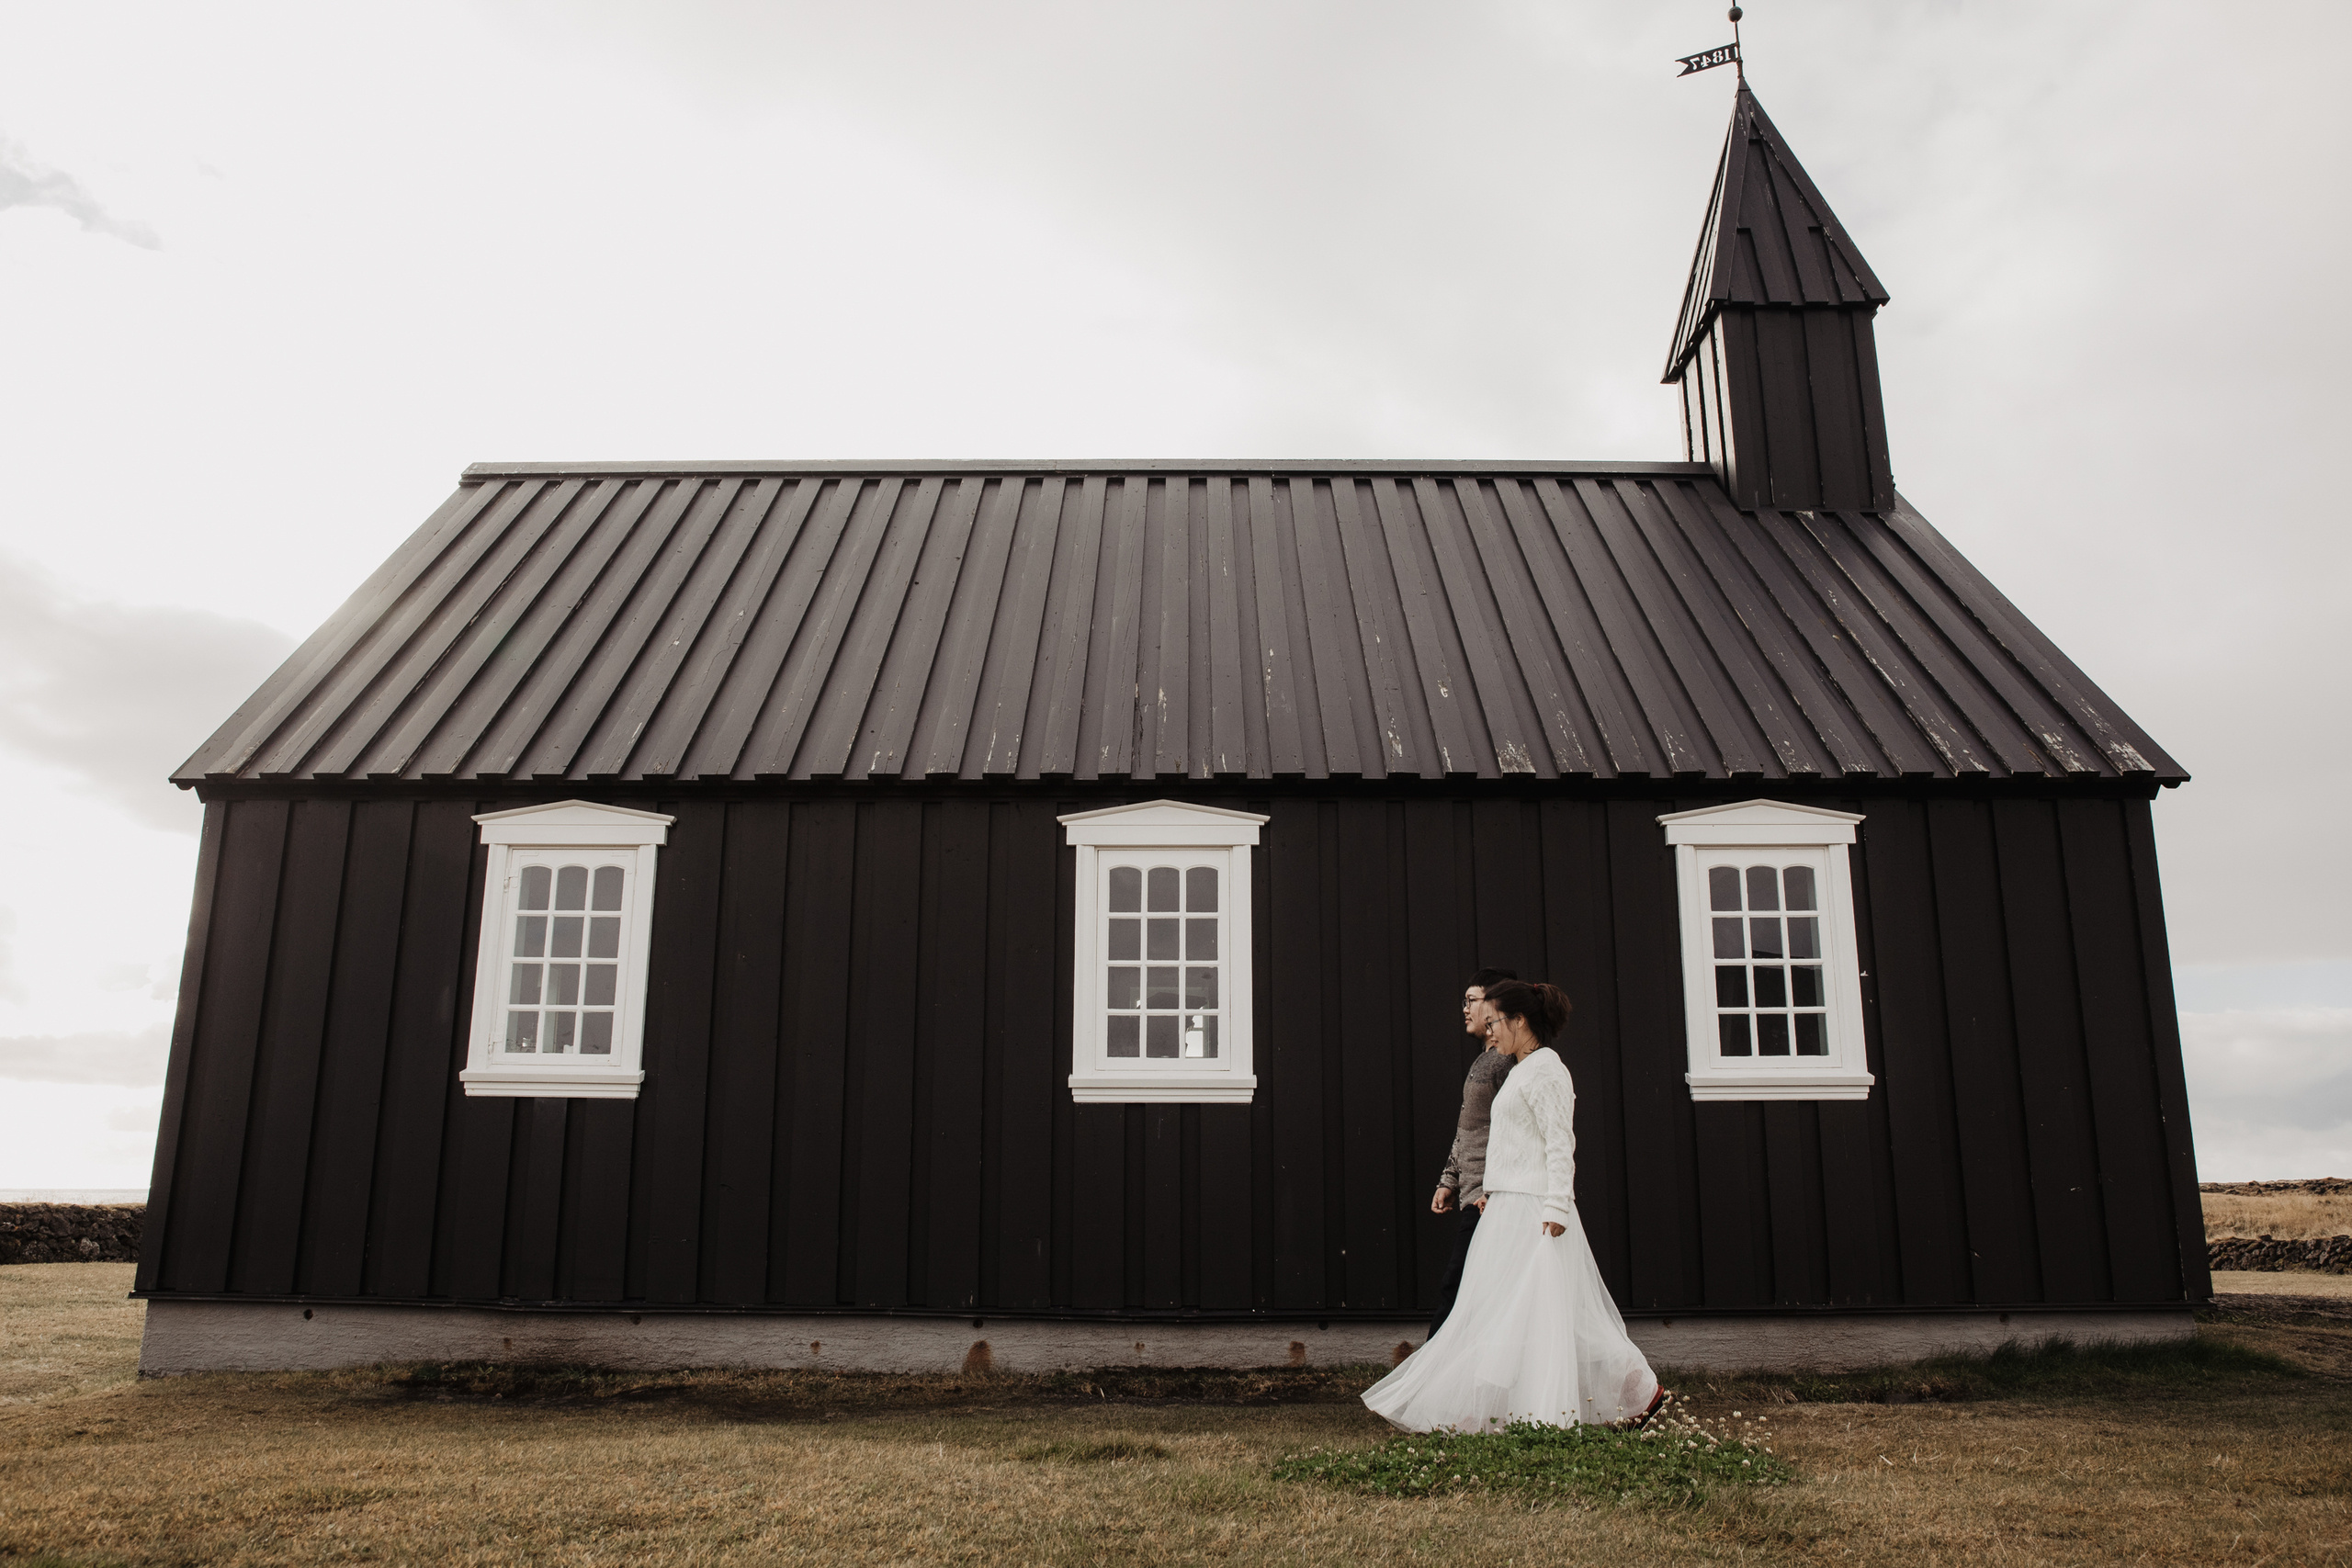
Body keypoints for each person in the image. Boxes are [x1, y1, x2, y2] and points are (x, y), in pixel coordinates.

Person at [1366, 978, 1663, 1432]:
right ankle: (1487, 1405)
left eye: (1497, 1021)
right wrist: (1492, 1188)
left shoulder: (1547, 1071)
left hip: (1536, 1213)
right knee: (1495, 1309)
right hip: (1505, 1205)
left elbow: (1559, 1143)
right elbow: (1509, 1140)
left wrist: (1557, 1208)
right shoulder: (1518, 1068)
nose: (1491, 1030)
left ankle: (1642, 1392)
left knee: (1557, 1312)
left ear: (1520, 1021)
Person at [1428, 966, 1517, 1337]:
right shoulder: (1484, 1060)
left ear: (1495, 1004)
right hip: (1472, 1194)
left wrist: (1491, 1190)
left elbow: (1513, 1130)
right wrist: (1449, 1178)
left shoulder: (1506, 1061)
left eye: (1472, 1001)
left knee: (1457, 1288)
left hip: (1488, 1198)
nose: (1465, 1009)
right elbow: (1470, 1128)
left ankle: (1429, 1383)